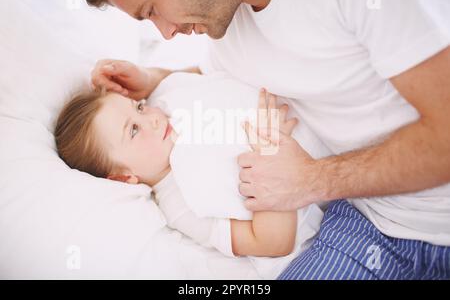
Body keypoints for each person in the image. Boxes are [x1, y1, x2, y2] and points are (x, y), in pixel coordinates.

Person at [80, 0, 450, 279]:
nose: (166, 33)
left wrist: (311, 179)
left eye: (152, 11)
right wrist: (151, 78)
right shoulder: (230, 28)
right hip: (366, 221)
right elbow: (210, 79)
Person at [54, 85, 302, 262]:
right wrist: (271, 152)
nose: (151, 119)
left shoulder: (175, 112)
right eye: (133, 131)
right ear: (122, 177)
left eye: (139, 108)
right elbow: (272, 242)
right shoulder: (180, 207)